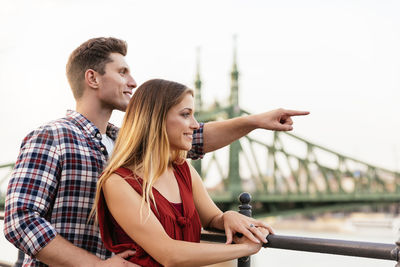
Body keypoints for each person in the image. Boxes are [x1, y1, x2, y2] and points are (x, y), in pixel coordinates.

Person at [3, 36, 309, 267]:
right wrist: (94, 266)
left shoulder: (126, 143)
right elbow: (20, 220)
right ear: (93, 78)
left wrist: (253, 121)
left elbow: (190, 137)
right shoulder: (51, 137)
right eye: (122, 72)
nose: (133, 82)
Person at [93, 79, 274, 267]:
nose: (195, 125)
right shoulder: (117, 182)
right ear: (156, 119)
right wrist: (245, 249)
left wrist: (228, 216)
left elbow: (212, 218)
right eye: (186, 115)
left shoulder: (183, 170)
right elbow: (169, 254)